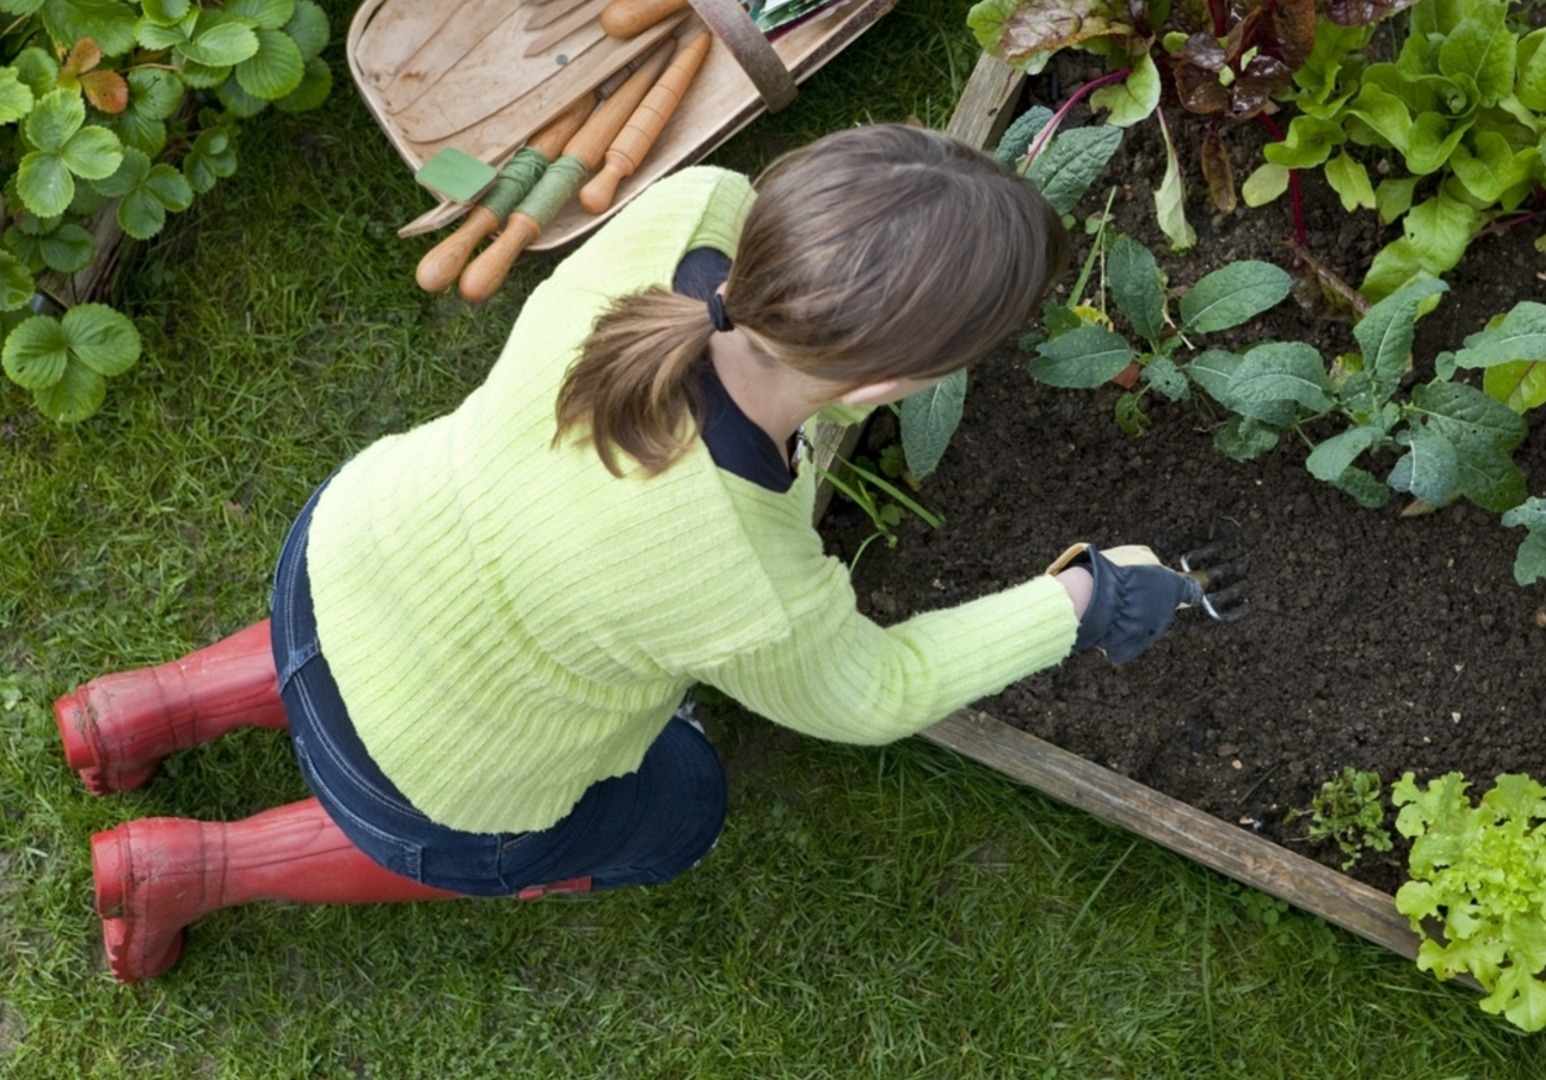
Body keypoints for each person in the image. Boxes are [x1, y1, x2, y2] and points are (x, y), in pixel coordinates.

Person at [58, 123, 1206, 983]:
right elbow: (876, 692)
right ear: (885, 390)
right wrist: (1080, 600)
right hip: (424, 778)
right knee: (679, 806)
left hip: (346, 553)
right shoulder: (749, 580)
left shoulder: (689, 213)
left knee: (401, 627)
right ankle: (190, 871)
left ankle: (140, 710)